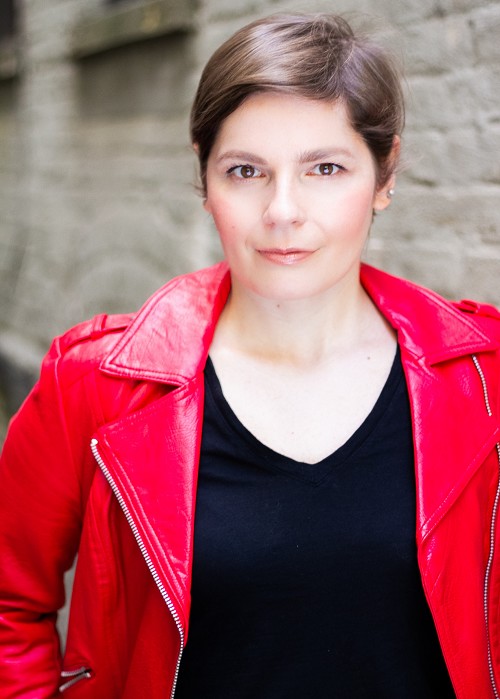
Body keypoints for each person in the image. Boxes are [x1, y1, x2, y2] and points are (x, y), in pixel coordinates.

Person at [0, 11, 499, 699]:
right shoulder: (93, 383)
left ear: (385, 175)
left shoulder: (482, 378)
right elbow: (10, 605)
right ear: (206, 182)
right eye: (245, 171)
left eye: (325, 168)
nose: (282, 210)